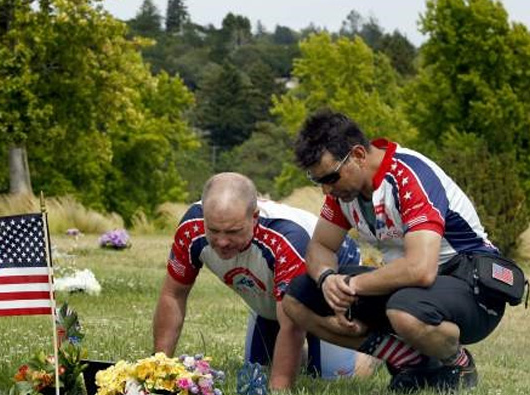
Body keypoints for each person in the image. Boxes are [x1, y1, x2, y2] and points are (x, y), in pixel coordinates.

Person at [282, 109, 508, 393]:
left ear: (359, 155)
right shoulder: (345, 191)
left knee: (404, 311)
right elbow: (321, 246)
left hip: (472, 284)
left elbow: (420, 269)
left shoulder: (409, 176)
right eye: (319, 181)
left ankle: (457, 363)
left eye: (331, 177)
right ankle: (412, 362)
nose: (327, 190)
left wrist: (351, 286)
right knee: (297, 298)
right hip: (410, 289)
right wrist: (328, 280)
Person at [152, 172, 370, 391]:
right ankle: (305, 355)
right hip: (270, 292)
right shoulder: (192, 226)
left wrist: (279, 390)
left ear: (254, 217)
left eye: (233, 231)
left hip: (329, 284)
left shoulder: (288, 237)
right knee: (258, 370)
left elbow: (292, 323)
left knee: (333, 379)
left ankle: (374, 353)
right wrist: (159, 369)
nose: (222, 241)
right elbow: (173, 294)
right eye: (213, 230)